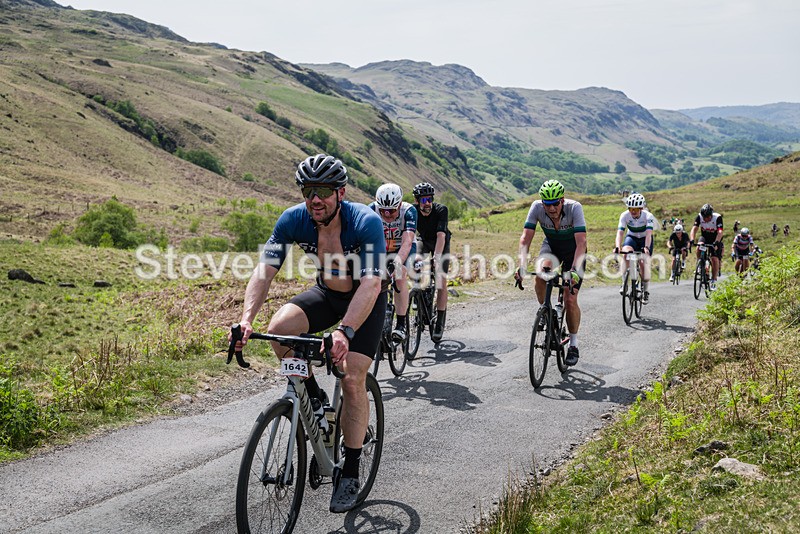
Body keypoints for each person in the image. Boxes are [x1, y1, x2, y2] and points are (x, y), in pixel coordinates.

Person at [230, 153, 387, 514]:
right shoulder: (294, 220)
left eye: (324, 191)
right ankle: (314, 397)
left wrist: (346, 332)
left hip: (366, 299)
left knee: (351, 377)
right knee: (278, 330)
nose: (315, 199)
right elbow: (264, 270)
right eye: (308, 190)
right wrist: (245, 320)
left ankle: (349, 470)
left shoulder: (364, 221)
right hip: (328, 294)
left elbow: (372, 282)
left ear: (340, 193)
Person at [514, 179, 587, 366]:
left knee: (569, 298)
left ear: (562, 200)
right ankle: (546, 311)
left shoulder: (574, 208)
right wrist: (522, 265)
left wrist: (574, 271)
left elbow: (581, 243)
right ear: (543, 203)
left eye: (556, 203)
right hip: (552, 247)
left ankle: (573, 344)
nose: (552, 208)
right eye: (548, 204)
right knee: (540, 275)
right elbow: (525, 239)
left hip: (573, 252)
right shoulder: (536, 208)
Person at [369, 183, 417, 342]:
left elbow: (407, 242)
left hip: (403, 248)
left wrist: (397, 262)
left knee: (400, 274)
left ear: (400, 204)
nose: (387, 215)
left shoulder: (409, 211)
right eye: (383, 211)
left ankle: (402, 325)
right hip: (382, 248)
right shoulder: (371, 210)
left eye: (392, 210)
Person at [412, 182, 451, 342]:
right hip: (423, 240)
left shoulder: (441, 210)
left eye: (429, 199)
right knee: (415, 262)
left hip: (440, 242)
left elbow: (441, 236)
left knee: (441, 280)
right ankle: (418, 298)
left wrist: (436, 257)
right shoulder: (412, 212)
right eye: (423, 200)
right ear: (417, 201)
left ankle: (440, 320)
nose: (427, 203)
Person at [614, 193, 655, 304]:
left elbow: (649, 234)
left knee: (643, 263)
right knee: (626, 254)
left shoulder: (648, 216)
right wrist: (617, 246)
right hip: (631, 237)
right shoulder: (624, 215)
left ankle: (645, 291)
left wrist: (646, 247)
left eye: (636, 209)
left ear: (641, 208)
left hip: (644, 240)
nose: (633, 211)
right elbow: (620, 233)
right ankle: (624, 284)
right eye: (631, 208)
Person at [689, 203, 724, 290]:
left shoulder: (717, 218)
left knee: (714, 259)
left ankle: (714, 280)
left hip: (715, 238)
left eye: (707, 217)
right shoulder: (699, 217)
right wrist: (692, 239)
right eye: (704, 217)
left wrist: (716, 242)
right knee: (699, 246)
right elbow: (694, 229)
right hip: (705, 237)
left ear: (711, 215)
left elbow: (720, 232)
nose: (706, 219)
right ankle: (700, 264)